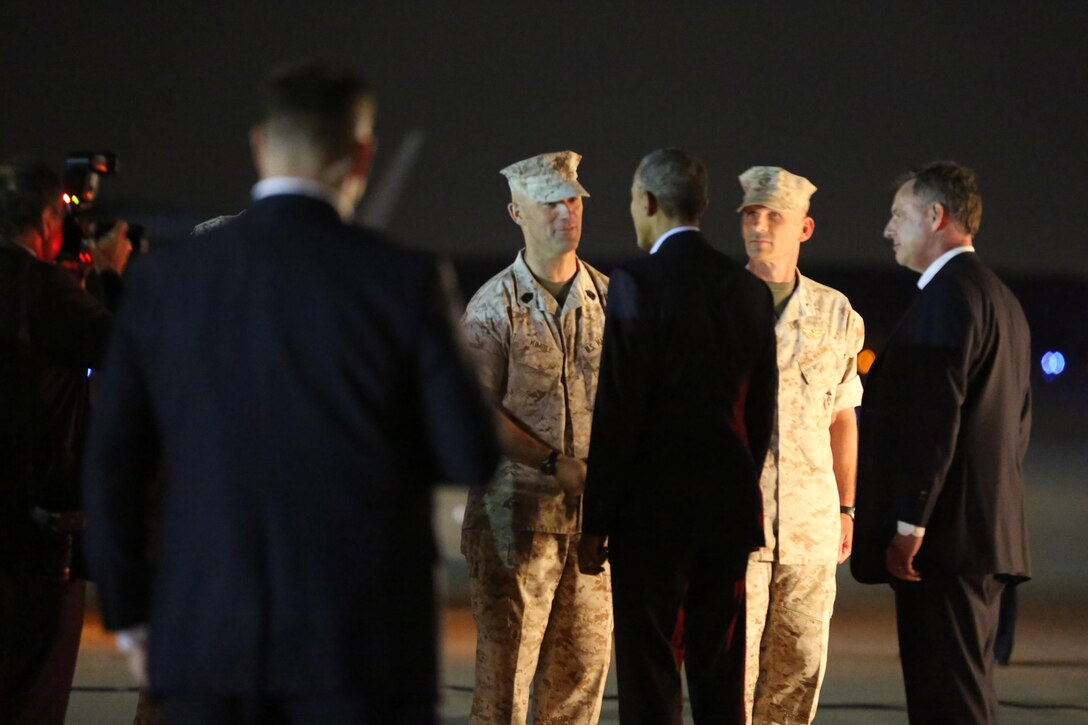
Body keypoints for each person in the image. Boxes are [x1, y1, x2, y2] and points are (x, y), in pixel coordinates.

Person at [82, 61, 500, 725]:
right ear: (361, 154)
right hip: (361, 646)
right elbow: (468, 452)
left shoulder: (166, 282)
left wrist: (131, 613)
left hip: (207, 637)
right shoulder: (403, 281)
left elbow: (112, 465)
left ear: (259, 144)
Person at [579, 148, 778, 724]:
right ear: (707, 206)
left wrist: (597, 521)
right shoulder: (748, 292)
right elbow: (760, 413)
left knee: (651, 670)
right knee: (721, 672)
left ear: (647, 202)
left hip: (651, 518)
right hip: (727, 512)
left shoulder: (636, 283)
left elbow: (620, 410)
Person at [852, 161, 1031, 724]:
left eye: (898, 215)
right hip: (982, 535)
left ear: (936, 216)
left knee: (949, 705)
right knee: (963, 696)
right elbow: (1015, 426)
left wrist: (910, 526)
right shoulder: (1001, 299)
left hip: (945, 545)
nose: (888, 229)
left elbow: (935, 421)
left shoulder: (949, 298)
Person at [460, 150, 612, 724]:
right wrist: (552, 462)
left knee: (579, 686)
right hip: (513, 521)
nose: (565, 213)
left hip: (589, 524)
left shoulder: (610, 300)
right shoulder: (492, 307)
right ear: (515, 212)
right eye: (548, 202)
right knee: (505, 689)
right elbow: (478, 410)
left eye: (573, 200)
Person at [0, 160, 129, 724]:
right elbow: (129, 354)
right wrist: (109, 276)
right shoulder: (40, 288)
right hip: (30, 537)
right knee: (33, 691)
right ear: (51, 217)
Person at [735, 166, 864, 724]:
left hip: (812, 531)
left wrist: (845, 508)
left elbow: (842, 416)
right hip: (737, 526)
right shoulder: (717, 303)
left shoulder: (836, 314)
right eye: (750, 214)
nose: (759, 225)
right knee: (731, 679)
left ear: (804, 229)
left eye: (773, 216)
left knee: (798, 677)